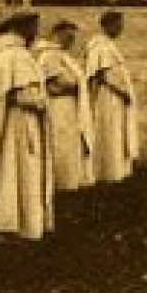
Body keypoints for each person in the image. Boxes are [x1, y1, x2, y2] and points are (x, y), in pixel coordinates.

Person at [0, 12, 54, 240]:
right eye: (34, 27)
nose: (36, 32)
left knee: (10, 172)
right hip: (20, 124)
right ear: (24, 28)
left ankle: (8, 221)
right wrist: (41, 102)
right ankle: (19, 223)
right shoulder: (16, 57)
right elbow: (19, 96)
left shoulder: (3, 55)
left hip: (12, 124)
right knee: (21, 171)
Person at [35, 19, 96, 194]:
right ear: (57, 34)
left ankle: (69, 182)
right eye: (68, 37)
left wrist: (74, 84)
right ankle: (59, 183)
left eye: (73, 38)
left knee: (70, 145)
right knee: (59, 144)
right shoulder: (49, 55)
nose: (71, 41)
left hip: (69, 106)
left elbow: (71, 81)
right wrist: (75, 84)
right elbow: (60, 83)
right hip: (58, 107)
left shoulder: (63, 56)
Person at [84, 10, 138, 183]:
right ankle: (107, 173)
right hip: (107, 98)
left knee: (116, 134)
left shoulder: (108, 46)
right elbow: (101, 76)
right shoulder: (101, 47)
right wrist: (122, 91)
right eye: (118, 25)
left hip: (115, 98)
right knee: (109, 133)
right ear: (109, 25)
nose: (121, 29)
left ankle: (117, 172)